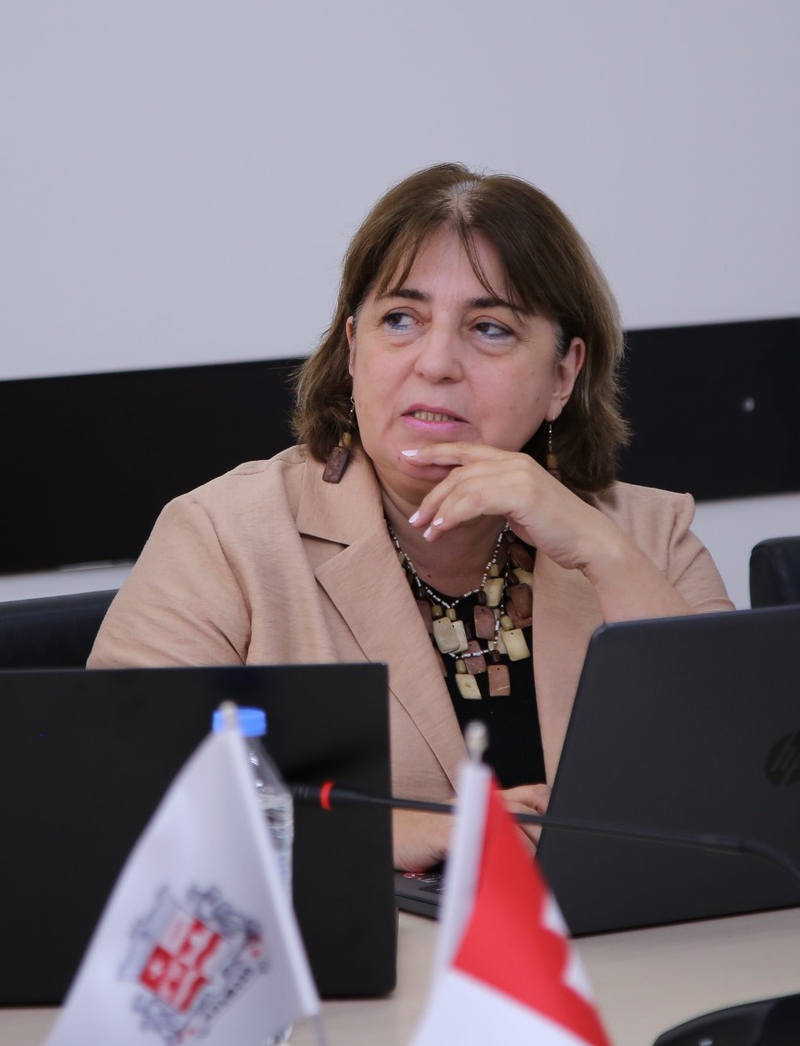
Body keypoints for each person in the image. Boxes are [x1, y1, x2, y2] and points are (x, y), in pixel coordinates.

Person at [90, 164, 731, 868]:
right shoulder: (225, 538)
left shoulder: (647, 536)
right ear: (353, 348)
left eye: (490, 328)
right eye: (401, 320)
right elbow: (118, 801)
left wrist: (603, 554)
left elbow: (743, 776)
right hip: (362, 936)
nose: (437, 362)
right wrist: (400, 835)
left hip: (625, 930)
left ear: (562, 374)